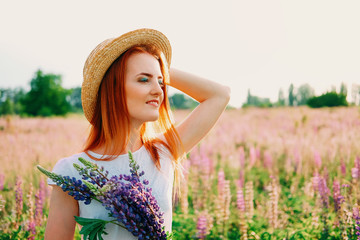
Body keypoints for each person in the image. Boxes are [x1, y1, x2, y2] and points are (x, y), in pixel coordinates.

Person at [44, 28, 230, 240]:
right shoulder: (72, 171)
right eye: (144, 80)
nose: (159, 91)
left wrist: (157, 64)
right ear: (112, 88)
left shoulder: (163, 153)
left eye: (161, 81)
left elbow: (220, 94)